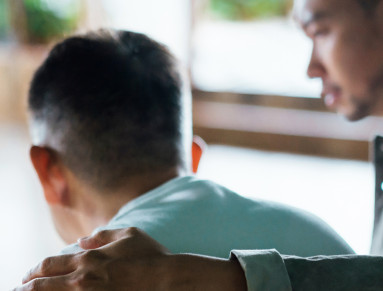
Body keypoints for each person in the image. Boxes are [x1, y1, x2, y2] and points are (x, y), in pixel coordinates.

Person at [13, 0, 383, 290]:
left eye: (320, 30)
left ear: (48, 171)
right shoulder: (319, 241)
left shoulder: (70, 279)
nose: (310, 68)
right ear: (194, 156)